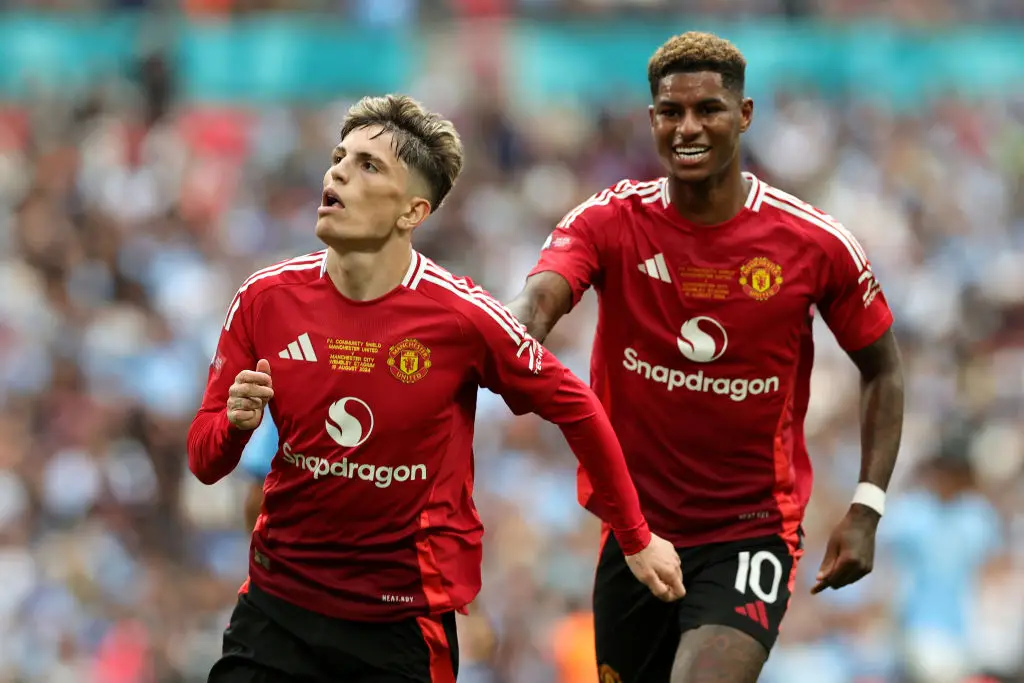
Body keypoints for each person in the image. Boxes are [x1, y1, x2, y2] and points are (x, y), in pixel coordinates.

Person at [187, 94, 684, 683]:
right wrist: (234, 426)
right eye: (339, 157)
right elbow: (204, 461)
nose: (337, 173)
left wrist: (635, 538)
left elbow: (576, 406)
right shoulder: (265, 298)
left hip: (400, 625)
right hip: (277, 611)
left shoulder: (460, 316)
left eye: (368, 165)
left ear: (412, 212)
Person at [505, 32, 905, 683]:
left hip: (751, 529)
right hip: (635, 532)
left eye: (708, 109)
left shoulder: (813, 243)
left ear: (743, 115)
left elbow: (882, 368)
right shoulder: (608, 221)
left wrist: (867, 505)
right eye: (672, 111)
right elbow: (537, 300)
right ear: (652, 119)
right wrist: (513, 332)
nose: (688, 127)